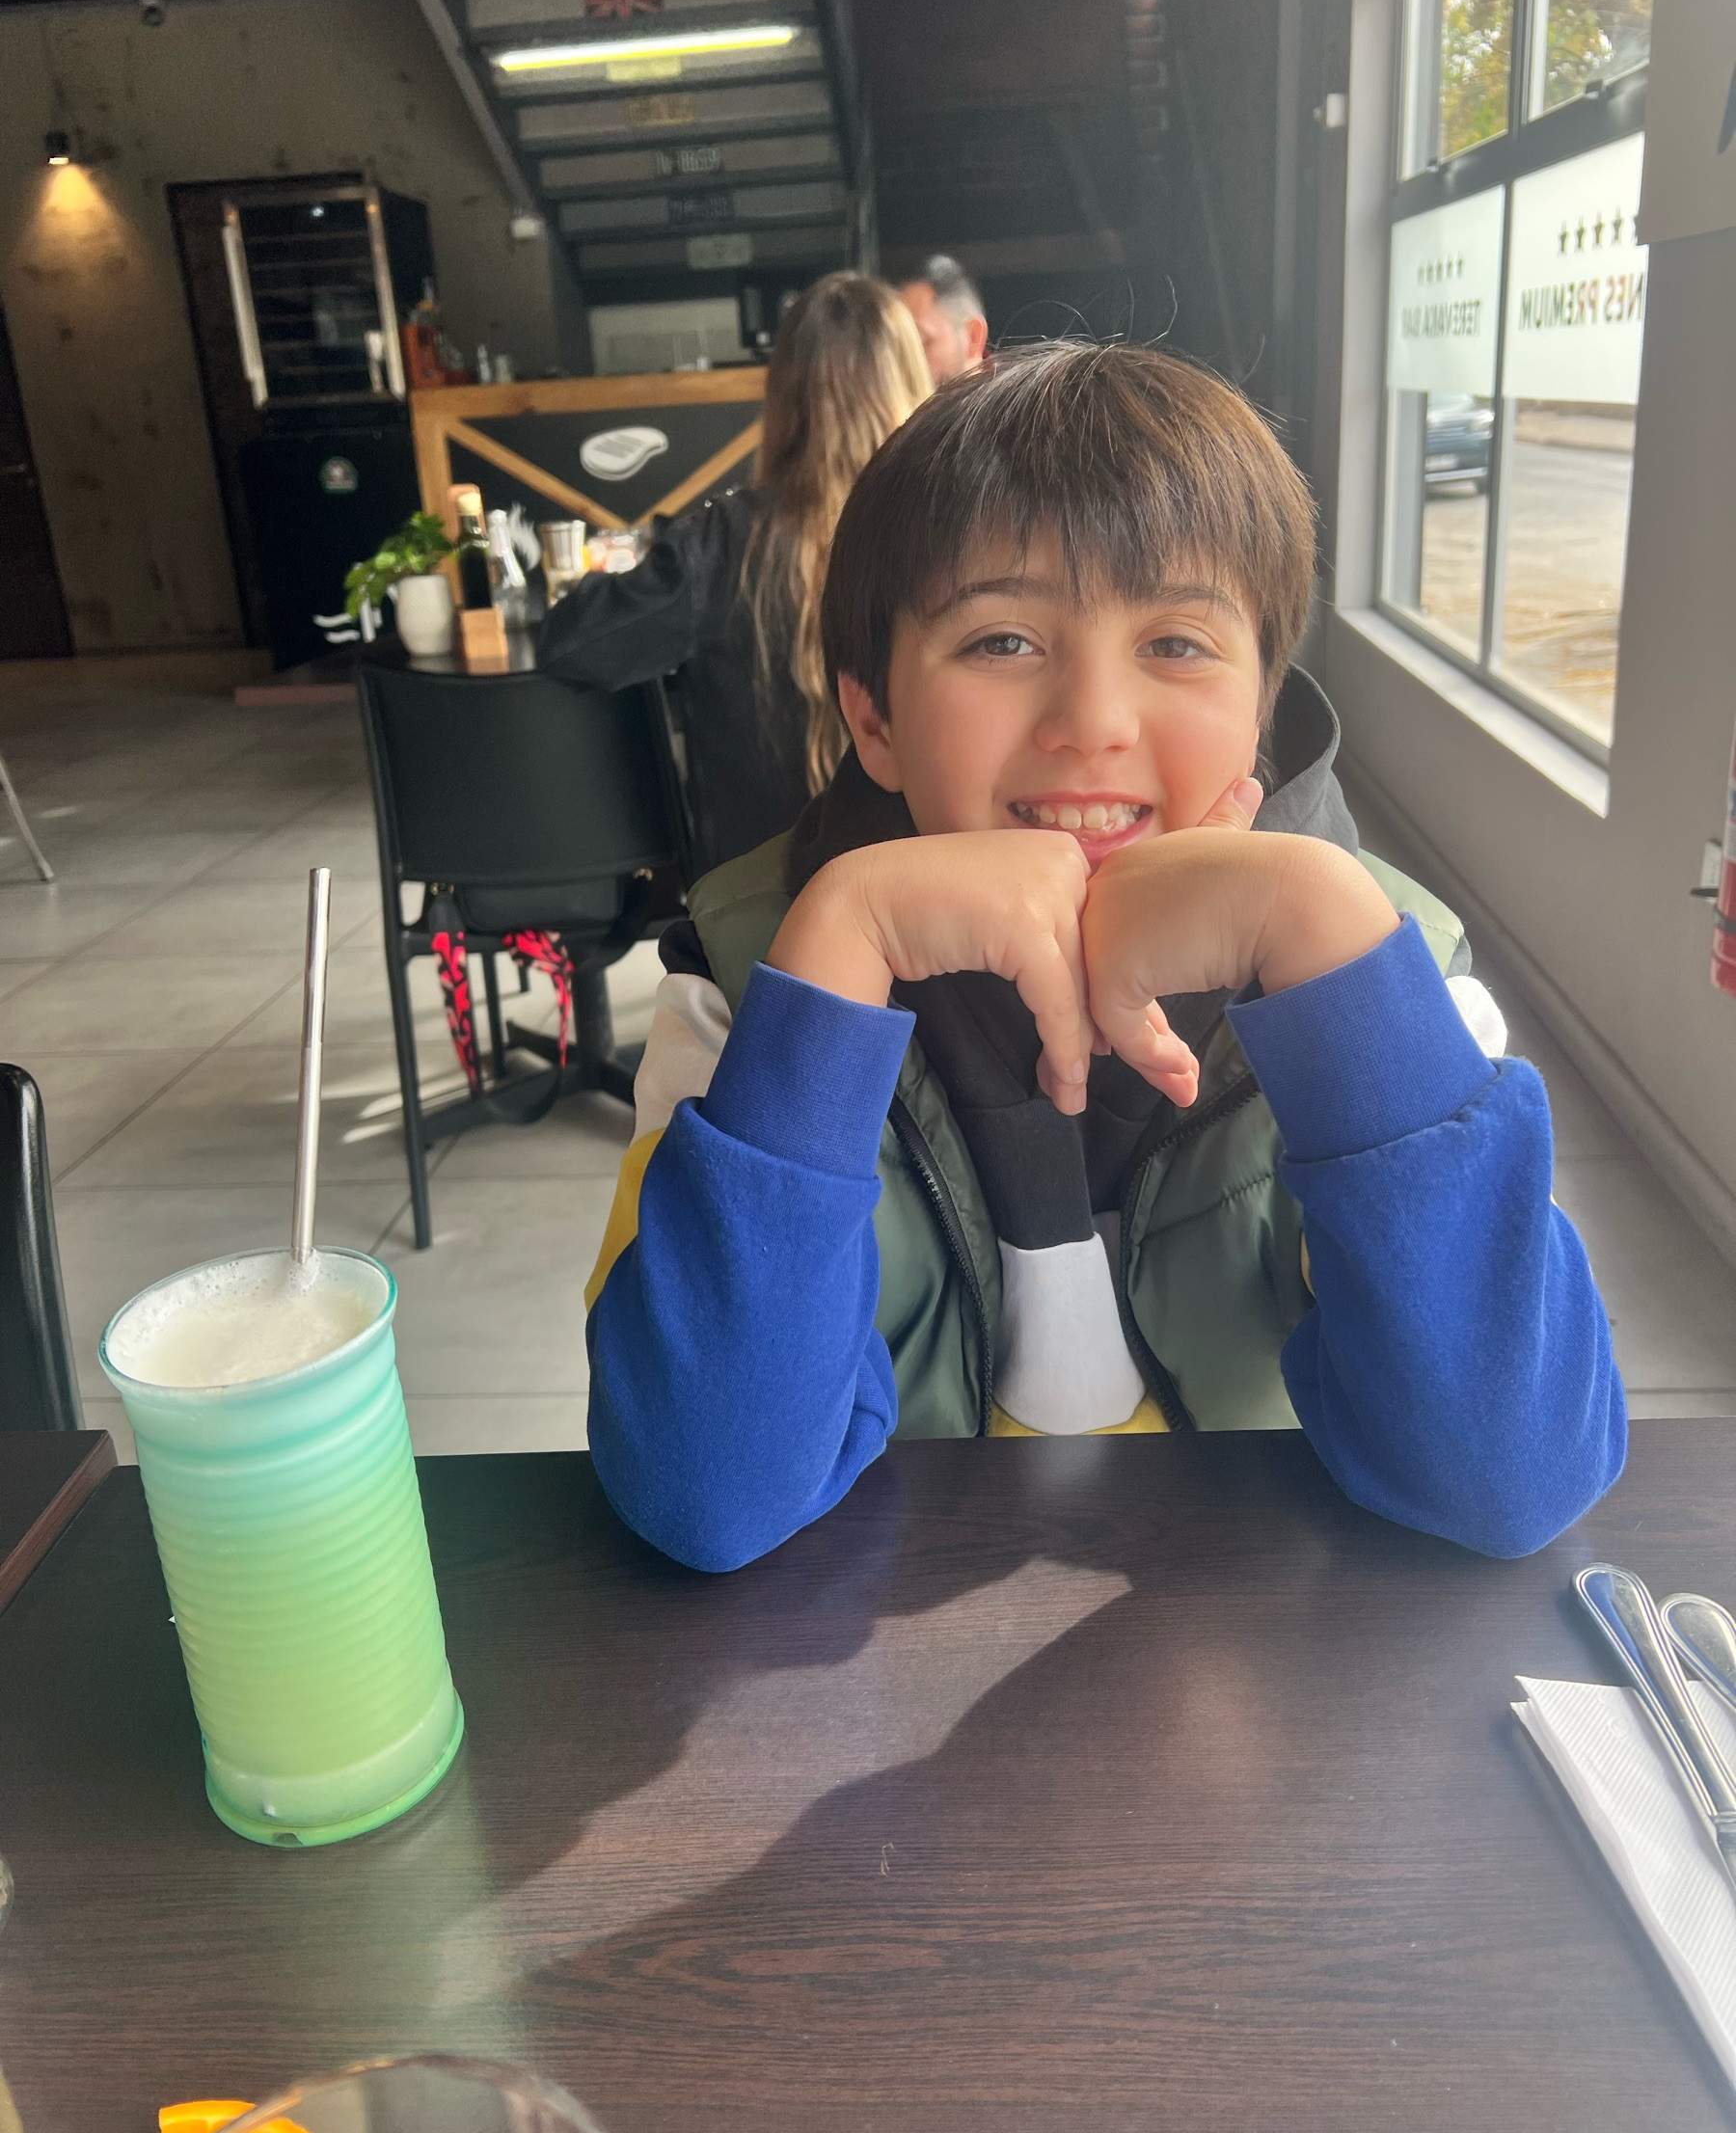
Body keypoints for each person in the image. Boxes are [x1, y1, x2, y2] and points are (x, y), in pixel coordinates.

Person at [581, 343, 1625, 1574]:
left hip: (1271, 1635)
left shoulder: (1388, 974)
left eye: (1176, 643)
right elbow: (709, 1493)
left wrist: (1321, 933)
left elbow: (1510, 1475)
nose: (1094, 722)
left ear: (1261, 703)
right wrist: (842, 944)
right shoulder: (749, 986)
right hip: (883, 1630)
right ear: (874, 717)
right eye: (1001, 642)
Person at [537, 273, 931, 875]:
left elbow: (571, 643)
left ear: (784, 396)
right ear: (907, 379)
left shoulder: (722, 541)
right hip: (918, 897)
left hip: (755, 905)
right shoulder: (945, 532)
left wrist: (593, 576)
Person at [897, 255, 990, 386]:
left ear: (973, 337)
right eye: (896, 347)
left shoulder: (1015, 396)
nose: (900, 365)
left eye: (919, 343)